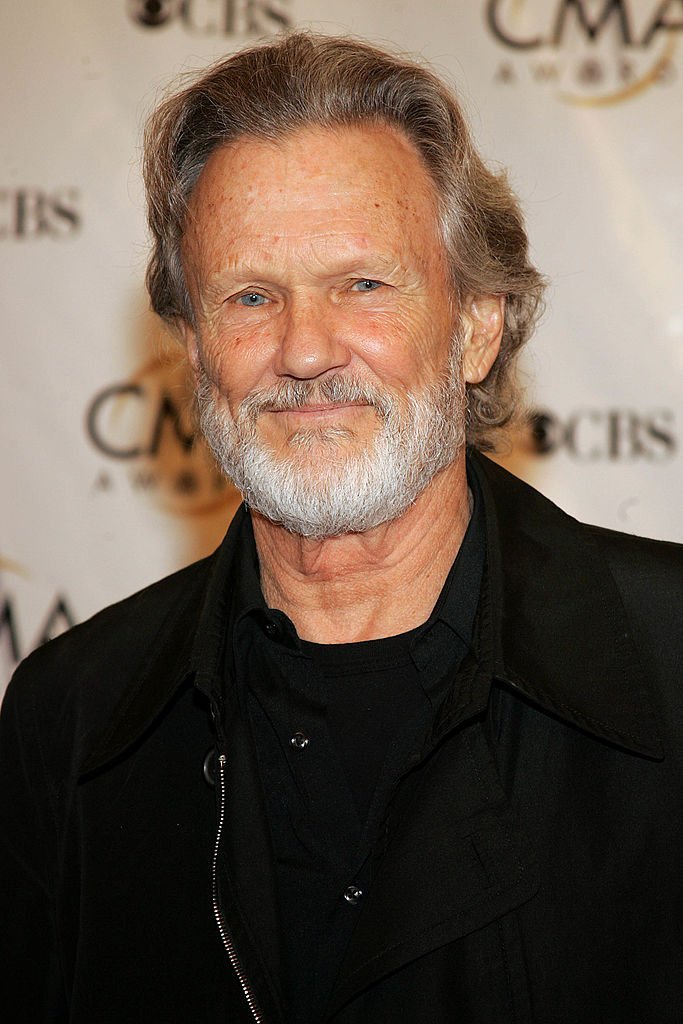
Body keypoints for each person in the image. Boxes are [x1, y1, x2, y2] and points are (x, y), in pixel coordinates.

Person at [1, 31, 681, 1024]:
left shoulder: (669, 665)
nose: (304, 349)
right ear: (191, 347)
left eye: (361, 284)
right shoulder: (73, 720)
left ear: (476, 326)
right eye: (248, 297)